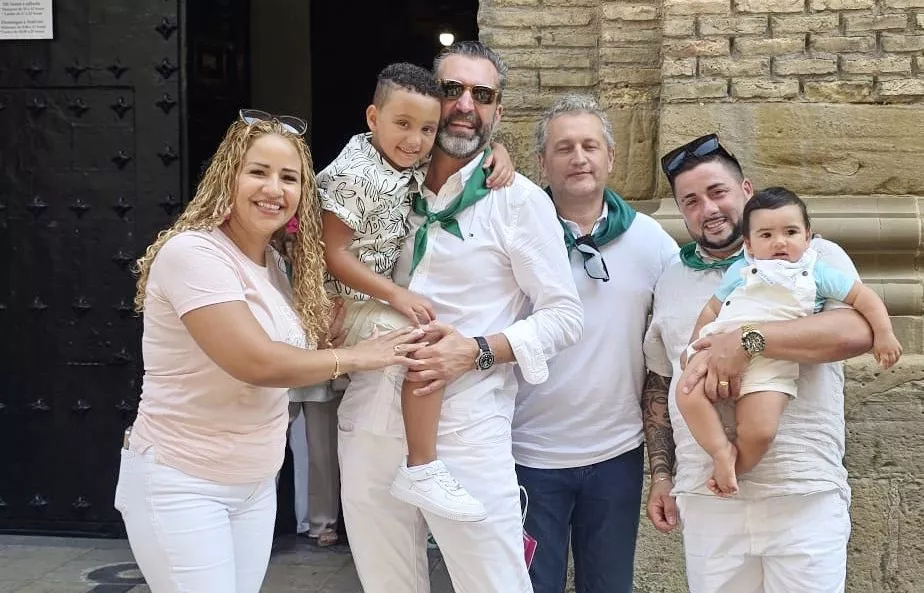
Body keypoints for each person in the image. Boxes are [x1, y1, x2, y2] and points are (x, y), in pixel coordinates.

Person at [113, 110, 425, 593]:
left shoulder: (275, 265)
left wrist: (321, 339)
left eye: (289, 177)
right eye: (257, 171)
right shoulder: (193, 254)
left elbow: (277, 347)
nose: (274, 189)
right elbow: (255, 362)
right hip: (183, 480)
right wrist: (360, 356)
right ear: (227, 177)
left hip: (254, 482)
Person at [336, 41, 584, 593]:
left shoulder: (518, 200)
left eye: (483, 94)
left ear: (498, 110)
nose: (466, 104)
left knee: (495, 584)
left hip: (466, 431)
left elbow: (566, 316)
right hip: (371, 419)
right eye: (452, 89)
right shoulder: (384, 175)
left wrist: (474, 350)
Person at [641, 133, 875, 593]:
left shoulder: (812, 256)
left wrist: (749, 340)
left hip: (800, 490)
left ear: (745, 191)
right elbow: (659, 381)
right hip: (708, 498)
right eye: (690, 201)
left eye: (717, 192)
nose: (706, 209)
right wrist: (662, 474)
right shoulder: (671, 277)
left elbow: (856, 333)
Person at [318, 62, 514, 522]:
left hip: (366, 299)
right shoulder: (355, 175)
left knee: (425, 338)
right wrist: (396, 296)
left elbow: (460, 149)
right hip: (338, 304)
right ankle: (422, 467)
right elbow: (334, 253)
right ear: (372, 119)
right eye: (403, 125)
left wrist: (499, 149)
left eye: (427, 129)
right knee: (424, 342)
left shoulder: (403, 157)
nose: (416, 139)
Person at [512, 94, 677, 593]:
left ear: (610, 157)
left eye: (590, 145)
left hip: (614, 456)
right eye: (564, 148)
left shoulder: (652, 243)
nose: (578, 157)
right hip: (527, 453)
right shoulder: (514, 236)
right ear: (542, 162)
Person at [677, 186, 901, 496]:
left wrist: (884, 334)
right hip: (718, 344)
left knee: (760, 430)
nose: (780, 242)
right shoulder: (739, 270)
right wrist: (693, 347)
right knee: (686, 393)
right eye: (766, 235)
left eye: (791, 232)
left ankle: (735, 467)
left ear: (808, 236)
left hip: (773, 357)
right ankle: (720, 450)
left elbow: (865, 298)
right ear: (750, 244)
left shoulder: (817, 271)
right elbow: (712, 309)